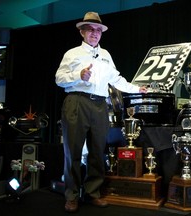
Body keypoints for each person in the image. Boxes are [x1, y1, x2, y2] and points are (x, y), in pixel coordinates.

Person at [55, 11, 147, 213]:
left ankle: (92, 193)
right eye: (90, 29)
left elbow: (116, 79)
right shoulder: (72, 54)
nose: (94, 33)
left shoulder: (106, 55)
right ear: (82, 32)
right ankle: (71, 196)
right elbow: (59, 79)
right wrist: (78, 75)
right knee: (73, 152)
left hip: (99, 105)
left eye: (98, 30)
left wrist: (136, 88)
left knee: (98, 151)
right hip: (76, 101)